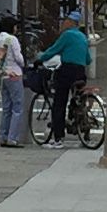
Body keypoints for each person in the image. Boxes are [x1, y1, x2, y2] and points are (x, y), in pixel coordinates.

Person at [39, 8, 93, 140]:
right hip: (81, 72)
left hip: (67, 70)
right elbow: (88, 60)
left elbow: (53, 50)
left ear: (71, 23)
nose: (63, 24)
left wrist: (39, 58)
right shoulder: (82, 37)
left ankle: (58, 136)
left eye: (66, 21)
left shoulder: (67, 35)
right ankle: (81, 124)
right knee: (79, 99)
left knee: (59, 102)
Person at [0, 17, 27, 146]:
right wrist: (23, 63)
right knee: (17, 107)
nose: (16, 29)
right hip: (15, 74)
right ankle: (13, 138)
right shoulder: (13, 40)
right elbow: (18, 57)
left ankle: (3, 136)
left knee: (6, 107)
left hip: (2, 76)